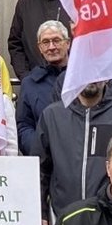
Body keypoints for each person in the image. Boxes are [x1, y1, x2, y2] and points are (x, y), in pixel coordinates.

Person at [37, 81, 112, 225]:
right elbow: (40, 169)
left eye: (96, 71)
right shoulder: (52, 115)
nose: (90, 78)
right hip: (63, 219)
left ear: (106, 77)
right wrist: (40, 212)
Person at [16, 21, 70, 155]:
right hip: (43, 160)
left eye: (56, 40)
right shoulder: (30, 83)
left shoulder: (80, 78)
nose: (51, 47)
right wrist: (40, 149)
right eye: (45, 42)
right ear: (40, 48)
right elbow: (23, 126)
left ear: (67, 43)